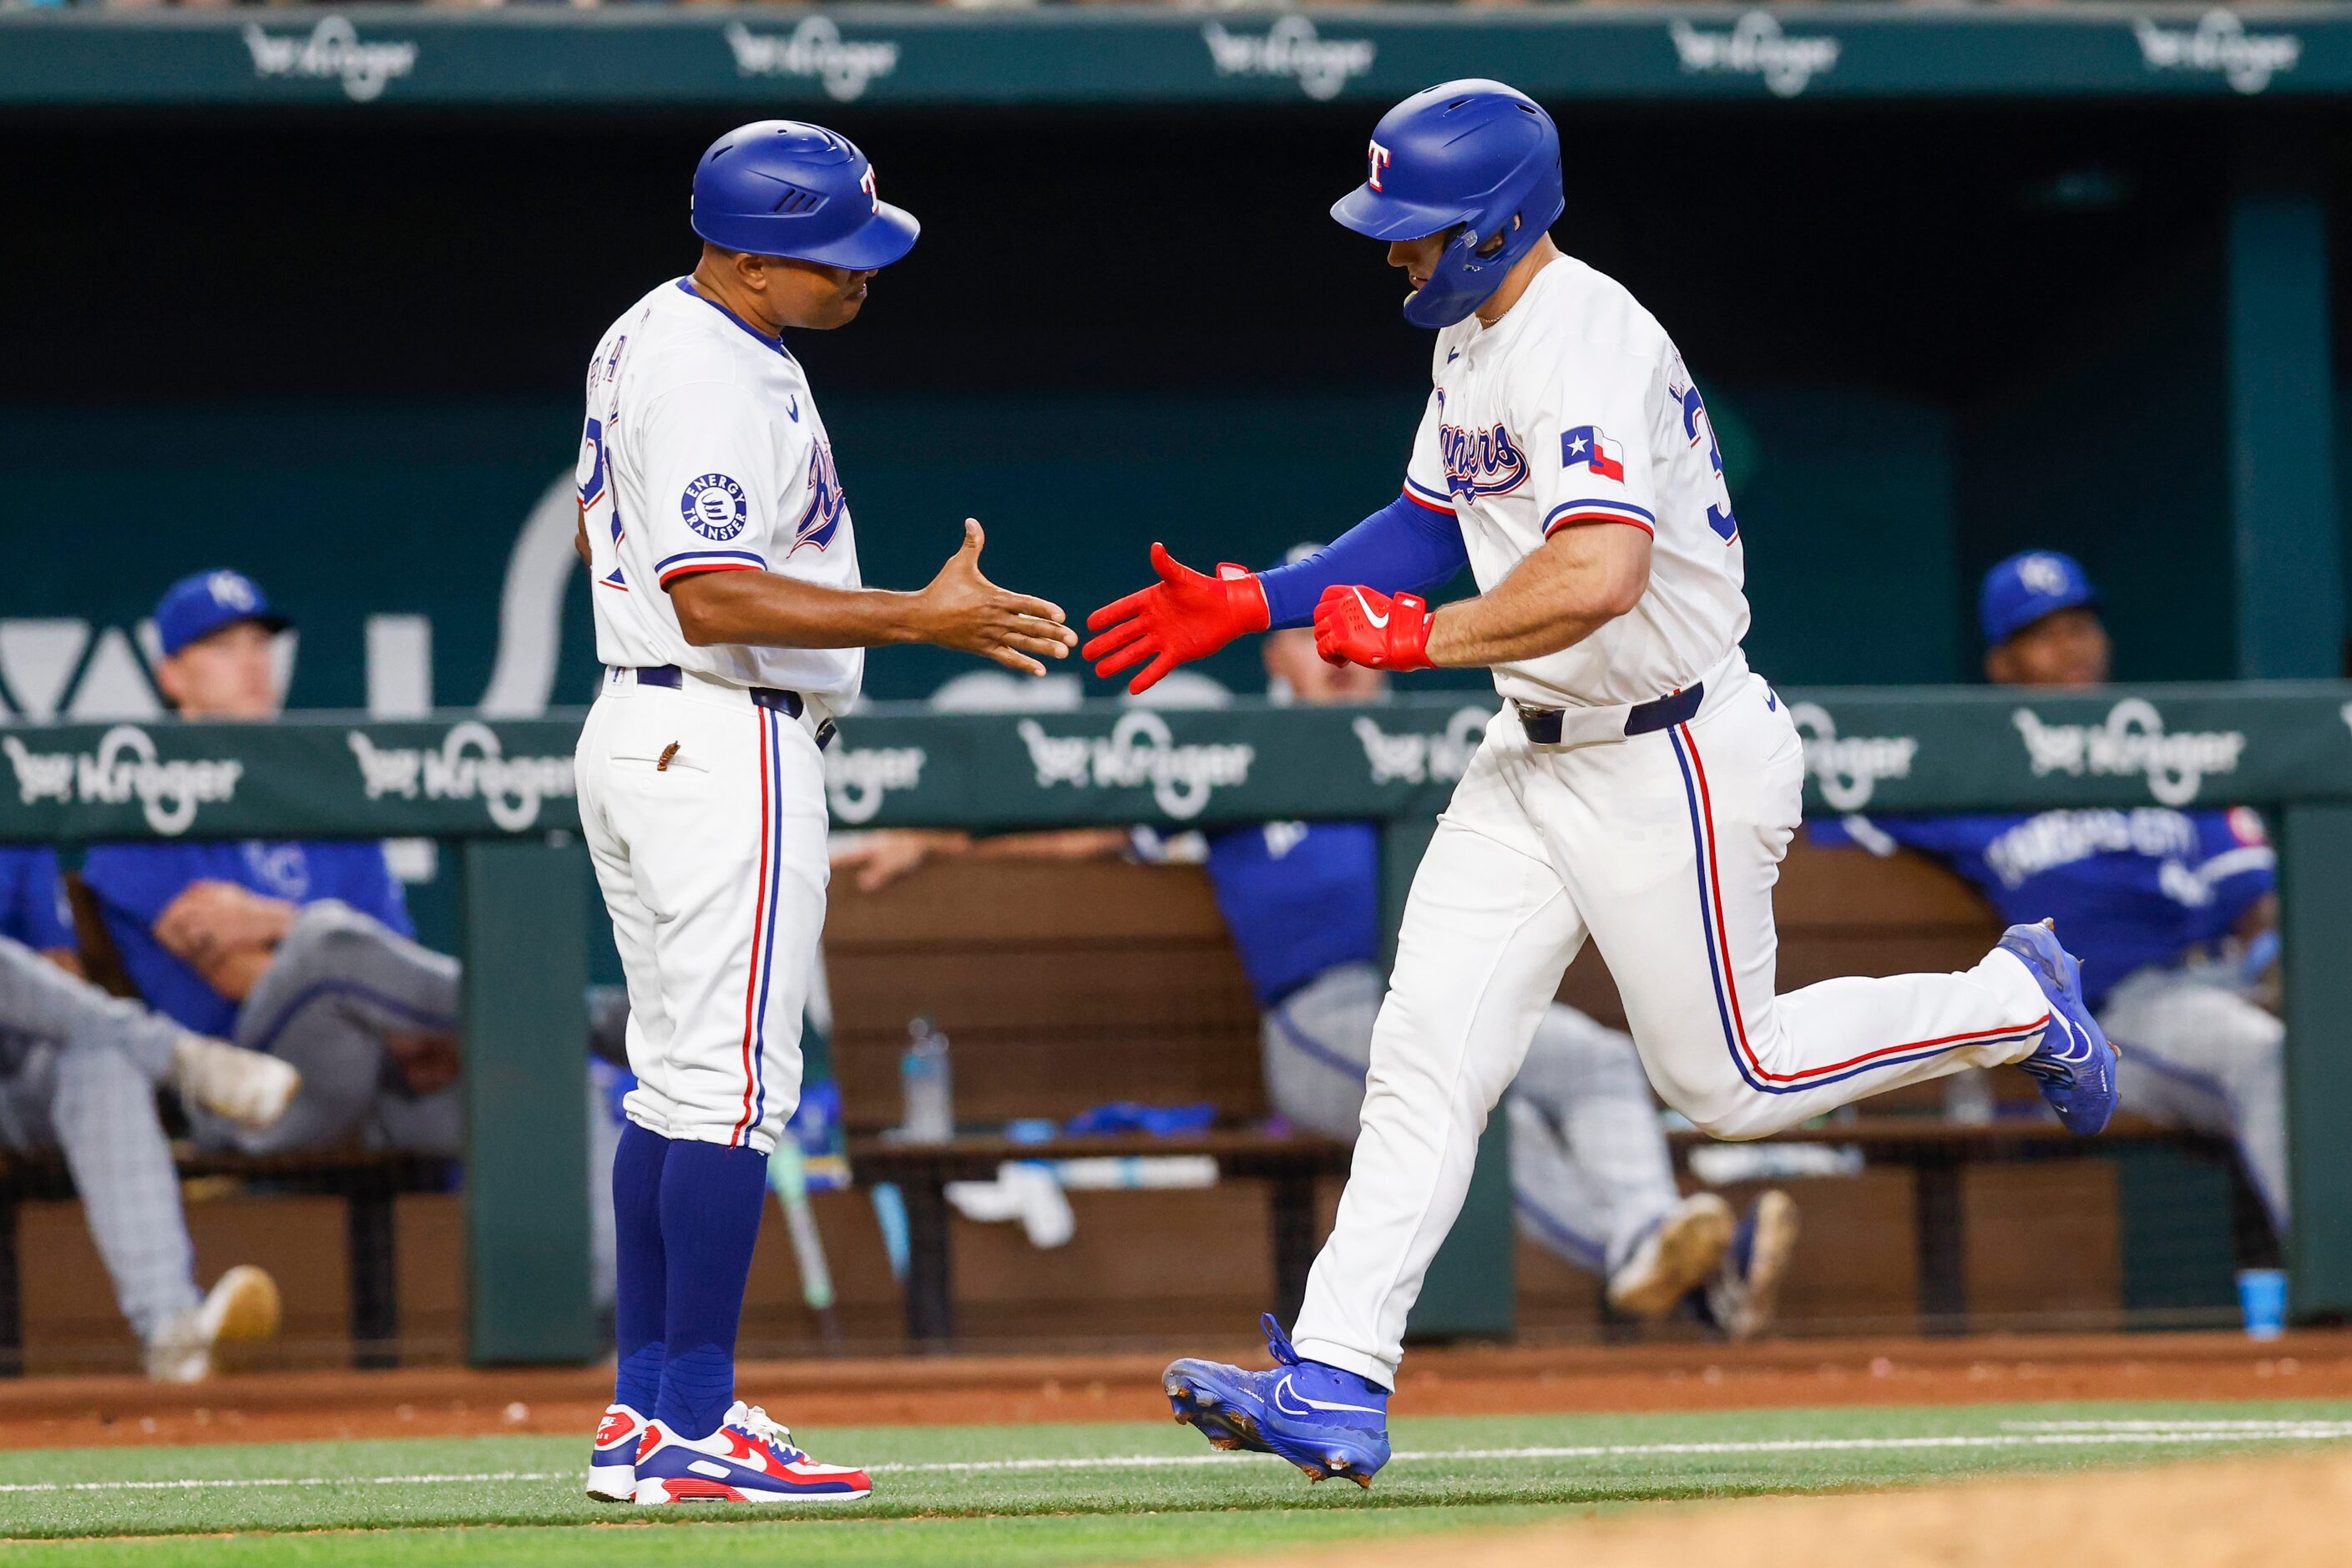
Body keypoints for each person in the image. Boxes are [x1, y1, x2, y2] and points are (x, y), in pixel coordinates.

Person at [1081, 80, 2116, 1488]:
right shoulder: (1474, 330)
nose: (1394, 251)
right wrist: (1263, 597)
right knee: (1425, 1054)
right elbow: (1428, 521)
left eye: (1417, 229)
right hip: (1532, 750)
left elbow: (1598, 569)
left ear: (1500, 222)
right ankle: (1336, 1373)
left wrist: (1419, 639)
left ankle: (2012, 1002)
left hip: (1669, 747)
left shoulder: (1584, 334)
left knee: (1727, 1081)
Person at [834, 584, 1802, 1340]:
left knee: (1591, 1056)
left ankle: (1651, 1242)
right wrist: (937, 843)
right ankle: (1654, 1255)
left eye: (1351, 633)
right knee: (1472, 1092)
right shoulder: (1239, 759)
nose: (1335, 656)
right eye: (1311, 639)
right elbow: (1079, 829)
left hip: (1446, 998)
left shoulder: (1450, 752)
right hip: (1316, 1024)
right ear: (1277, 657)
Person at [572, 120, 1075, 1506]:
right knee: (733, 1092)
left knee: (678, 1082)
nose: (863, 274)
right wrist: (917, 615)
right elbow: (713, 589)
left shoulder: (656, 334)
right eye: (829, 258)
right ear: (745, 262)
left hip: (653, 723)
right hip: (721, 729)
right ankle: (691, 1420)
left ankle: (642, 1416)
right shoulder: (705, 361)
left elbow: (613, 536)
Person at [1815, 551, 2285, 1234]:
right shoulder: (1974, 779)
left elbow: (2254, 908)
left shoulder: (2164, 754)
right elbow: (1829, 796)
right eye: (2043, 634)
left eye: (2081, 626)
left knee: (2303, 1048)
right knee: (2264, 1056)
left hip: (2225, 986)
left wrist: (2292, 995)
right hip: (2121, 1014)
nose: (2072, 648)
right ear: (2002, 666)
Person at [81, 571, 476, 1161]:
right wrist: (317, 939)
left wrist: (271, 921)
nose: (251, 663)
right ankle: (566, 1010)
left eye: (260, 645)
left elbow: (395, 971)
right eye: (222, 647)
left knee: (543, 1090)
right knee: (326, 940)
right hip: (245, 1094)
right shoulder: (140, 803)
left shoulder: (323, 797)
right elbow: (232, 968)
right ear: (171, 675)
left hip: (378, 1080)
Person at [0, 845, 291, 1379]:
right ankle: (182, 1058)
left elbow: (62, 975)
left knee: (103, 1059)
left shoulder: (13, 820)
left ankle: (173, 1331)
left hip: (15, 1078)